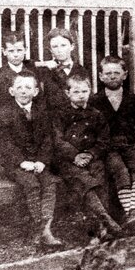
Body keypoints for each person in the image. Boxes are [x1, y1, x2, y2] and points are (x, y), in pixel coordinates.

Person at [0, 73, 63, 247]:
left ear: (36, 92)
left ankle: (45, 229)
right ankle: (40, 229)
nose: (23, 91)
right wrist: (21, 162)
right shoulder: (4, 113)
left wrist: (42, 161)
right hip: (15, 164)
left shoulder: (42, 112)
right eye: (19, 87)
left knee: (49, 182)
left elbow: (47, 140)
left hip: (38, 163)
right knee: (31, 184)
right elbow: (3, 143)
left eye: (28, 87)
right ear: (11, 91)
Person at [51, 73, 121, 238]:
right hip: (67, 160)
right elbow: (57, 140)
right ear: (67, 93)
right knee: (83, 179)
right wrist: (75, 155)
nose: (81, 95)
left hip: (90, 158)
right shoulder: (60, 115)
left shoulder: (96, 115)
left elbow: (103, 141)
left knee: (100, 174)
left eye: (84, 91)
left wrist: (90, 154)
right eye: (76, 92)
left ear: (90, 91)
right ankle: (106, 220)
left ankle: (102, 228)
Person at [90, 56, 135, 234]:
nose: (112, 77)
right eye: (108, 73)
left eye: (116, 73)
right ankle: (130, 216)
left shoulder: (132, 99)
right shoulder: (96, 100)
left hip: (129, 145)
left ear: (124, 75)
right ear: (101, 76)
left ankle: (132, 215)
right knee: (121, 172)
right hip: (108, 148)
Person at [37, 27, 91, 111]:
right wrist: (43, 63)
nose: (59, 50)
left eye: (63, 45)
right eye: (55, 46)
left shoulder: (81, 70)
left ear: (72, 46)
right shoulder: (45, 70)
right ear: (51, 50)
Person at [0, 31, 37, 107]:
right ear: (4, 51)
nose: (15, 55)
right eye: (11, 51)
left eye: (19, 50)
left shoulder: (33, 72)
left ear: (25, 50)